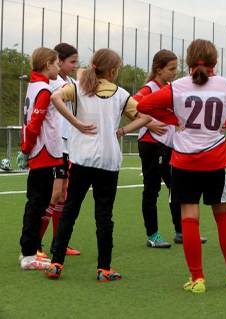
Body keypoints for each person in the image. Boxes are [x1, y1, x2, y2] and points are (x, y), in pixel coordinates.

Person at [137, 39, 226, 293]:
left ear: (187, 62)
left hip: (184, 160)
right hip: (215, 160)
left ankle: (197, 279)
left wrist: (176, 119)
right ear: (215, 61)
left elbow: (143, 106)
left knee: (189, 218)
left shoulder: (177, 86)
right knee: (223, 216)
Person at [45, 48, 151, 281]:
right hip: (108, 161)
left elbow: (55, 98)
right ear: (113, 71)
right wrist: (121, 131)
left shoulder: (79, 89)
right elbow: (145, 117)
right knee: (104, 215)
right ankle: (104, 268)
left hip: (82, 159)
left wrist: (76, 123)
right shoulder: (121, 94)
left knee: (70, 211)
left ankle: (56, 263)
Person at [133, 50, 207, 248]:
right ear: (158, 70)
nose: (175, 72)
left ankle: (181, 232)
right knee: (152, 189)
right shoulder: (149, 88)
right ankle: (152, 235)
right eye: (171, 69)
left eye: (176, 68)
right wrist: (148, 124)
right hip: (151, 145)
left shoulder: (169, 88)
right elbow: (132, 106)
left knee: (176, 188)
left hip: (168, 145)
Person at [18, 47, 61, 270]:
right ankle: (28, 254)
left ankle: (31, 250)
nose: (58, 67)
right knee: (37, 203)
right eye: (56, 64)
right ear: (47, 64)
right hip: (43, 151)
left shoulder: (34, 86)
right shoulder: (43, 89)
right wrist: (27, 146)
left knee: (39, 202)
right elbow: (35, 123)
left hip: (41, 150)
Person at [38, 43, 81, 257]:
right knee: (54, 195)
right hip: (55, 146)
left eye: (76, 62)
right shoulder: (52, 83)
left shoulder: (73, 83)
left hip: (69, 146)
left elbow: (84, 81)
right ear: (58, 61)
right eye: (71, 61)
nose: (75, 66)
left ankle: (59, 244)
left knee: (63, 196)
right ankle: (35, 245)